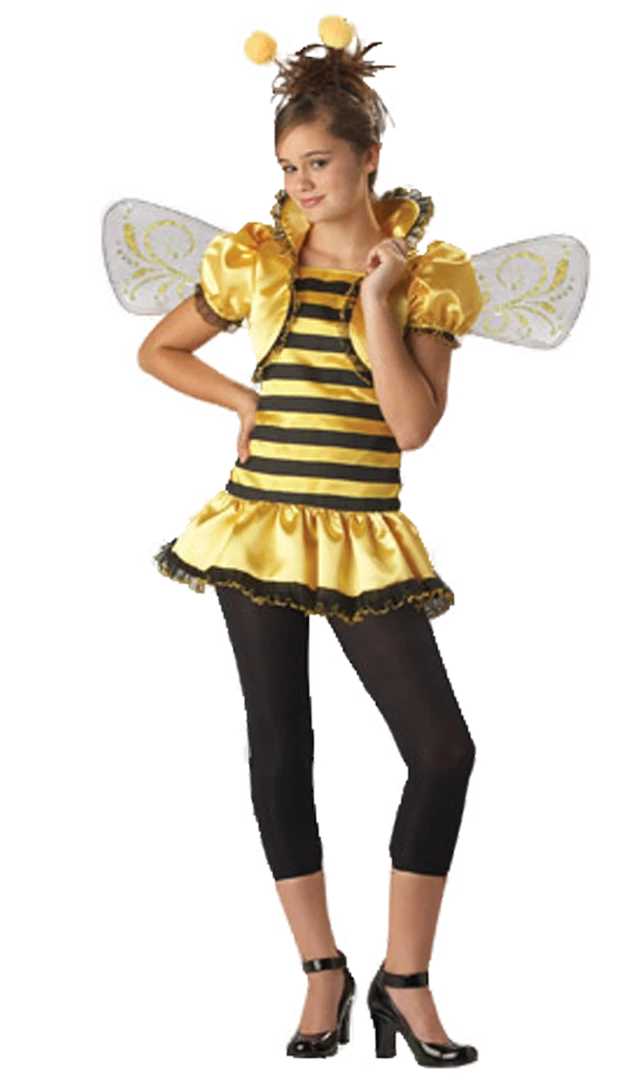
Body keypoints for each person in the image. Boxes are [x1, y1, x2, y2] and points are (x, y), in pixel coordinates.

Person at [135, 34, 482, 1069]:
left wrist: (375, 299)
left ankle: (406, 976)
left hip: (365, 536)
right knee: (281, 744)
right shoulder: (262, 260)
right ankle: (321, 968)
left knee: (443, 751)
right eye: (288, 167)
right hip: (264, 524)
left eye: (318, 163)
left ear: (370, 157)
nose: (300, 184)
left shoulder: (423, 277)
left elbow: (412, 428)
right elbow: (154, 349)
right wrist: (239, 397)